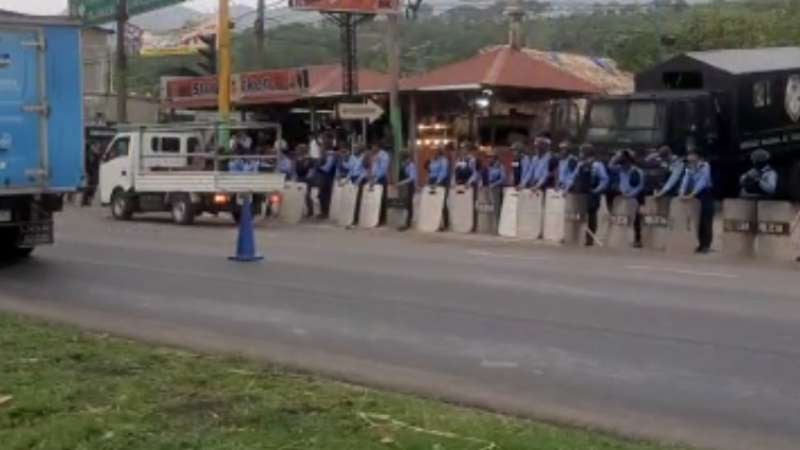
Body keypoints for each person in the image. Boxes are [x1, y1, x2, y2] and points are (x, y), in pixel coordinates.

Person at [679, 148, 714, 253]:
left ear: (697, 156)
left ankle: (706, 245)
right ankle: (699, 244)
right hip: (694, 196)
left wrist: (692, 194)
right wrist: (681, 193)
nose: (689, 157)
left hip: (705, 195)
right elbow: (685, 181)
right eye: (688, 155)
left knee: (706, 220)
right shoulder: (689, 168)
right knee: (696, 221)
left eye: (691, 155)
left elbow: (703, 182)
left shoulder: (705, 166)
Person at [610, 149, 646, 248]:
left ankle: (637, 240)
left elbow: (640, 186)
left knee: (635, 219)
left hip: (634, 197)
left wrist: (631, 194)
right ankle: (623, 239)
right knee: (623, 219)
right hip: (622, 197)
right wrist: (617, 156)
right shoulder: (620, 169)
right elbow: (610, 166)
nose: (624, 164)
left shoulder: (637, 171)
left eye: (625, 161)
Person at [577, 144, 609, 246]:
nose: (580, 154)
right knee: (580, 216)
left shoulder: (597, 165)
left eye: (582, 152)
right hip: (582, 193)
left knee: (591, 216)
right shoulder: (580, 164)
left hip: (592, 194)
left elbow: (604, 179)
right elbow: (576, 177)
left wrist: (596, 190)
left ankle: (590, 238)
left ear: (587, 153)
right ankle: (578, 237)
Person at [316, 134, 338, 219]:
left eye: (323, 145)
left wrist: (318, 166)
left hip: (328, 177)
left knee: (326, 195)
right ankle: (323, 212)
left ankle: (326, 212)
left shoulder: (331, 155)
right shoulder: (325, 155)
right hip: (323, 177)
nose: (321, 148)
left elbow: (327, 168)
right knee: (321, 195)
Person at [368, 143, 391, 225]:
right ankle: (375, 217)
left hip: (381, 179)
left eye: (373, 147)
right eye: (372, 147)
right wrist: (371, 178)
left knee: (381, 199)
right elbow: (372, 167)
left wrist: (376, 179)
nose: (372, 148)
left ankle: (382, 219)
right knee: (374, 199)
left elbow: (383, 169)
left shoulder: (384, 155)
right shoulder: (373, 155)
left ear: (378, 146)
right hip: (374, 179)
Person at [397, 152, 417, 231]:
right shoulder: (404, 166)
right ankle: (407, 222)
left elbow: (411, 178)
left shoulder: (411, 166)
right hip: (405, 186)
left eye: (405, 160)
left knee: (409, 204)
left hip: (410, 186)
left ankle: (408, 222)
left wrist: (401, 183)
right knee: (406, 204)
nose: (404, 161)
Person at [294, 145, 316, 217]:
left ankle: (310, 211)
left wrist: (308, 178)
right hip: (299, 177)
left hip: (306, 178)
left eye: (298, 150)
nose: (297, 151)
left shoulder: (309, 159)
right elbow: (295, 169)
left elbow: (311, 170)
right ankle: (300, 211)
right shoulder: (297, 159)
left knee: (307, 195)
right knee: (298, 195)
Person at [486, 153, 506, 221]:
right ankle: (495, 224)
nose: (489, 159)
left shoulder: (500, 166)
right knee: (493, 207)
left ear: (495, 158)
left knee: (497, 207)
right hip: (491, 187)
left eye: (491, 158)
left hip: (497, 188)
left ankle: (499, 223)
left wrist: (494, 184)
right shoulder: (490, 166)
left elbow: (503, 178)